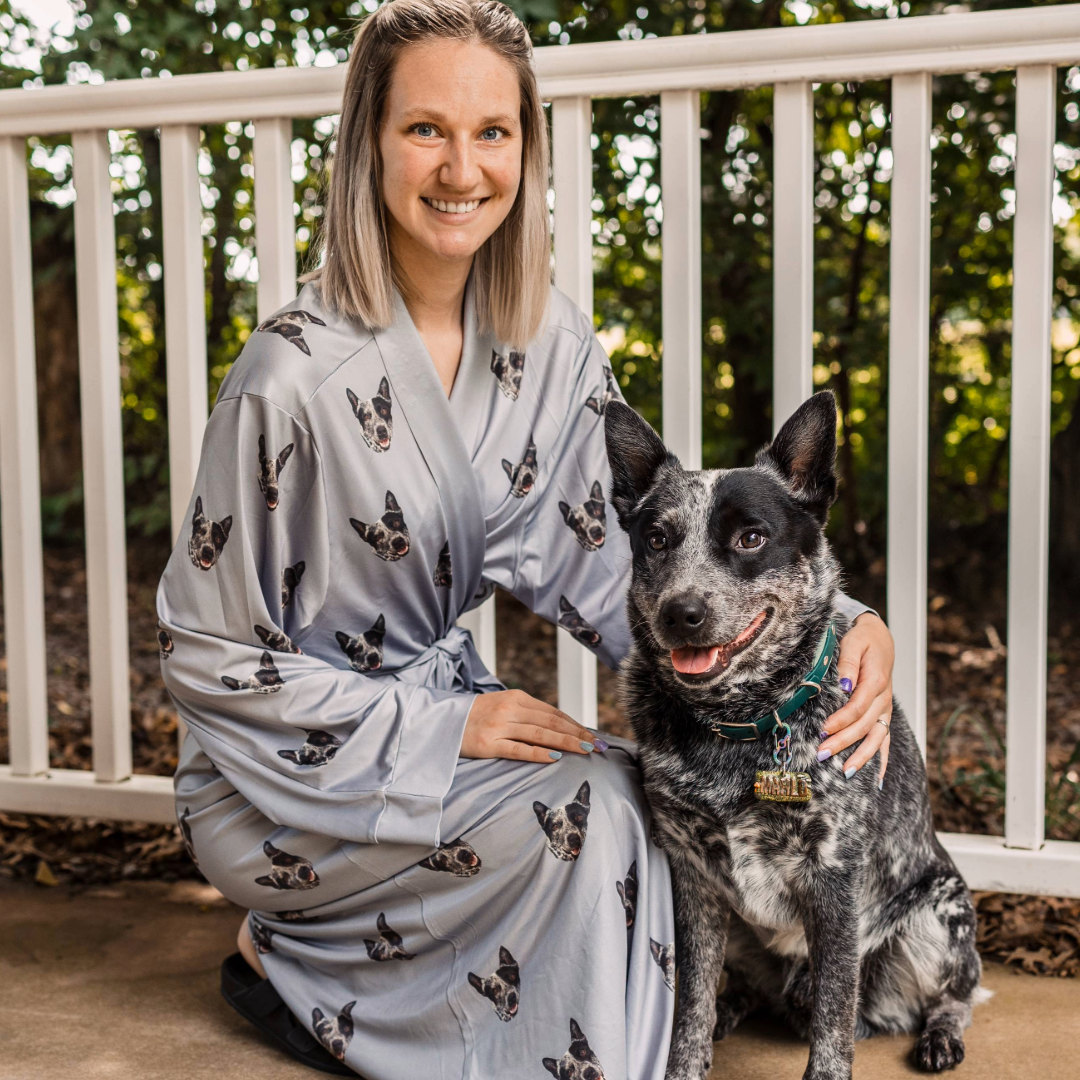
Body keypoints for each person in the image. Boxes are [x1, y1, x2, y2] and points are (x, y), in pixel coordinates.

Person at [157, 2, 897, 1077]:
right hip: (283, 772)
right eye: (425, 130)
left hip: (446, 724)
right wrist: (441, 730)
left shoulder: (545, 343)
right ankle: (302, 961)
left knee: (645, 793)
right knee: (593, 817)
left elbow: (626, 568)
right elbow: (206, 656)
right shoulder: (288, 376)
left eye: (493, 132)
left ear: (526, 149)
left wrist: (844, 627)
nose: (462, 168)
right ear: (368, 140)